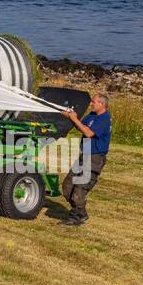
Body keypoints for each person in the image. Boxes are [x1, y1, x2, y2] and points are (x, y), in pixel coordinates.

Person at [60, 93, 111, 226]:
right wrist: (71, 117)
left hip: (95, 158)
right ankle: (81, 213)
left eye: (93, 102)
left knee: (79, 190)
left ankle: (75, 218)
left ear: (101, 104)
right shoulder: (92, 116)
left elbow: (88, 133)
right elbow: (81, 127)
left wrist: (75, 119)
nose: (91, 104)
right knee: (67, 187)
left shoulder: (105, 118)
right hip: (85, 155)